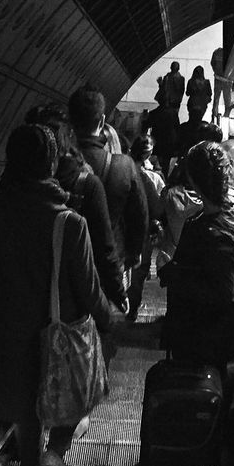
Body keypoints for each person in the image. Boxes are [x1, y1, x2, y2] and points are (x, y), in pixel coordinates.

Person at [0, 124, 118, 466]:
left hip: (7, 329)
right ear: (51, 162)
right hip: (58, 328)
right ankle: (53, 454)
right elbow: (88, 287)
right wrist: (109, 318)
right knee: (77, 390)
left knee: (26, 401)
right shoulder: (69, 222)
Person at [157, 142, 234, 371]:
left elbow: (219, 292)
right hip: (222, 334)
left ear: (193, 179)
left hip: (202, 338)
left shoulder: (214, 232)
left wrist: (170, 272)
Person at [26, 104, 126, 312]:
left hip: (20, 307)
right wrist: (117, 292)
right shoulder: (86, 185)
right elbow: (104, 245)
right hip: (70, 303)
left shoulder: (8, 195)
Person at [69, 86, 149, 309]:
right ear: (102, 121)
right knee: (104, 323)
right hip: (111, 262)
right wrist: (133, 254)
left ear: (71, 121)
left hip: (66, 262)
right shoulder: (123, 166)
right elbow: (139, 215)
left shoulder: (59, 163)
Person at [127, 133, 166, 319]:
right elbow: (157, 208)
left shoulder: (120, 170)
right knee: (137, 276)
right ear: (148, 154)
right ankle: (131, 312)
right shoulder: (146, 178)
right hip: (141, 237)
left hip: (121, 234)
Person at [210, 46, 234, 117]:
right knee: (227, 99)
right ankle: (226, 115)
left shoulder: (216, 52)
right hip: (227, 80)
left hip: (218, 78)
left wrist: (216, 72)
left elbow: (212, 63)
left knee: (216, 98)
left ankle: (214, 115)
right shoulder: (231, 53)